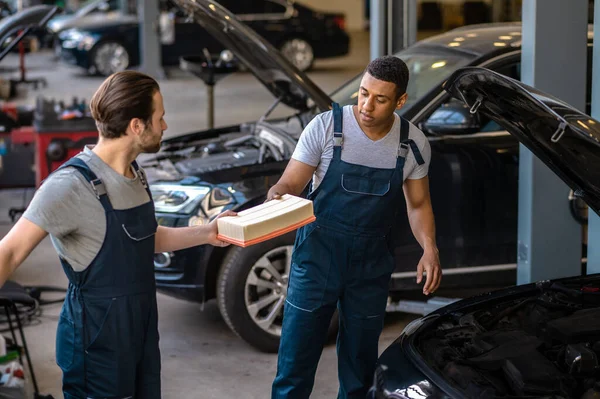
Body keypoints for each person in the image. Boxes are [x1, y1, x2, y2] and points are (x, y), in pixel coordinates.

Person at [0, 71, 234, 399]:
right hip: (95, 340)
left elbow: (142, 240)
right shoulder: (69, 186)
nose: (165, 126)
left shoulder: (134, 173)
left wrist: (206, 233)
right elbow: (8, 253)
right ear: (137, 126)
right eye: (160, 118)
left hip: (139, 330)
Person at [269, 56, 442, 399]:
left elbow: (419, 204)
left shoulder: (412, 144)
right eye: (363, 93)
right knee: (295, 360)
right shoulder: (325, 127)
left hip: (370, 265)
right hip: (317, 258)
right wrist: (276, 197)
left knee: (360, 366)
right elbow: (289, 183)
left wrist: (429, 247)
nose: (366, 105)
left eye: (380, 99)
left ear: (400, 101)